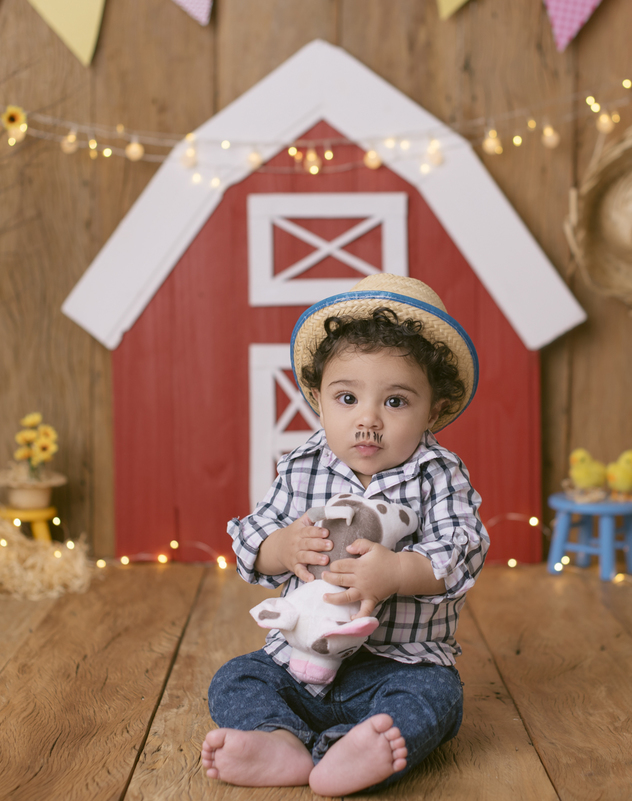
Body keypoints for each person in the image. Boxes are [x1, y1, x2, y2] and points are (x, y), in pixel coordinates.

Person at [202, 274, 489, 796]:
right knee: (236, 678)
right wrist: (281, 548)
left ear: (436, 409)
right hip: (299, 660)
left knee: (438, 698)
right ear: (317, 398)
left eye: (396, 402)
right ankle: (278, 741)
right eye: (347, 397)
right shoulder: (303, 465)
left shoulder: (439, 474)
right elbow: (253, 537)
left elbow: (462, 549)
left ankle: (352, 748)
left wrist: (398, 571)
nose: (368, 421)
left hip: (398, 667)